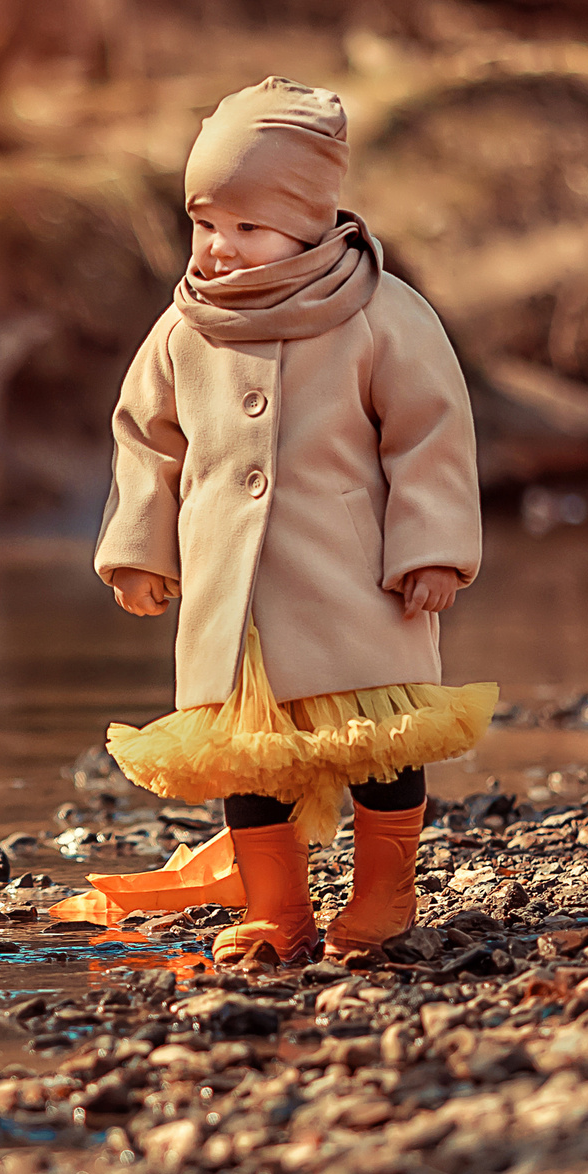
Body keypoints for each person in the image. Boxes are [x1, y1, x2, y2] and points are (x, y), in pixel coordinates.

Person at [95, 76, 497, 967]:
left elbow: (430, 435)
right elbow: (146, 441)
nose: (219, 247)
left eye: (247, 226)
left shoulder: (379, 314)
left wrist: (431, 550)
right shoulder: (183, 328)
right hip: (230, 595)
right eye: (206, 224)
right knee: (247, 760)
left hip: (352, 580)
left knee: (380, 744)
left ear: (311, 219)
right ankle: (277, 909)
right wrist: (138, 547)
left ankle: (383, 894)